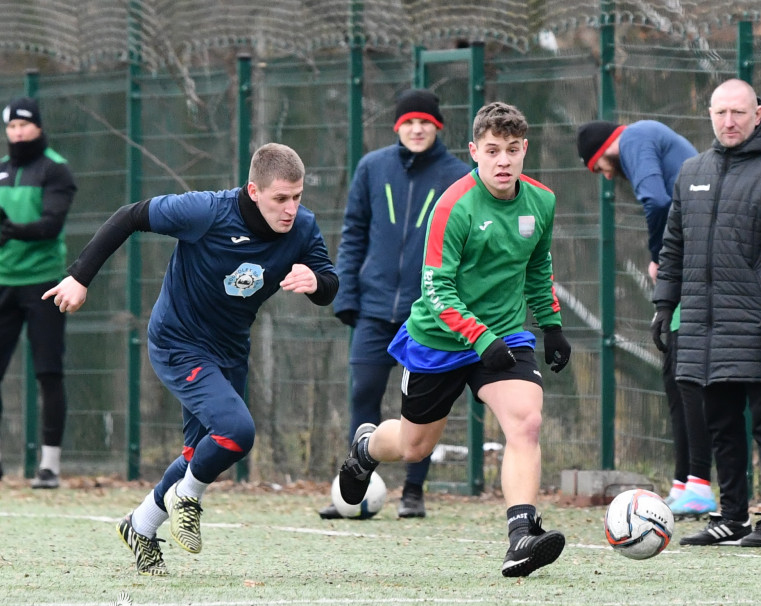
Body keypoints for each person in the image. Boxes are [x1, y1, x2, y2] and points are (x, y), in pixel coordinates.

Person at [43, 143, 338, 575]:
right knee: (237, 431)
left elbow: (330, 283)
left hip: (230, 350)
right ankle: (188, 497)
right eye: (280, 198)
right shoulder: (207, 212)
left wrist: (316, 281)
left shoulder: (303, 228)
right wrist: (79, 276)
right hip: (178, 342)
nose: (291, 208)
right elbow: (130, 215)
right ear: (254, 190)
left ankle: (140, 525)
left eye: (297, 196)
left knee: (201, 450)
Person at [335, 102, 572, 577]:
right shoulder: (454, 205)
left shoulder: (541, 201)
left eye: (511, 150)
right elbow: (436, 289)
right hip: (441, 338)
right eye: (492, 151)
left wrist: (551, 325)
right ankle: (365, 450)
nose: (502, 161)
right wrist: (479, 338)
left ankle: (521, 535)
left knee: (526, 423)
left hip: (504, 335)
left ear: (525, 149)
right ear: (474, 152)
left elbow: (538, 268)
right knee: (413, 447)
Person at [652, 79, 761, 547]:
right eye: (721, 112)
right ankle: (732, 517)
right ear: (709, 114)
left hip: (758, 324)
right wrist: (665, 305)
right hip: (703, 326)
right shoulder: (691, 171)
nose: (729, 121)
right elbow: (674, 248)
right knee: (720, 423)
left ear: (758, 115)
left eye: (739, 113)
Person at [319, 89, 470, 520]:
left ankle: (414, 494)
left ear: (438, 126)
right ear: (397, 127)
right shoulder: (372, 167)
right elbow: (353, 234)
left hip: (428, 313)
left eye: (425, 122)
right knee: (363, 394)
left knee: (420, 407)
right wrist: (347, 293)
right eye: (408, 122)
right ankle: (352, 493)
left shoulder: (459, 176)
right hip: (373, 305)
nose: (416, 129)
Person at [574, 119, 707, 515]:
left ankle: (698, 482)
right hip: (692, 265)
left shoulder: (633, 139)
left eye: (599, 167)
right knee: (674, 375)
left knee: (685, 376)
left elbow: (657, 201)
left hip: (693, 269)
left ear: (602, 153)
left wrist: (660, 259)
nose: (607, 175)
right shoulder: (647, 139)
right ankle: (685, 482)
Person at [0, 97, 77, 488]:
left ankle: (49, 467)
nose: (17, 133)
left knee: (48, 372)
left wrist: (11, 230)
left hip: (45, 283)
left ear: (39, 127)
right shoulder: (0, 170)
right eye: (11, 128)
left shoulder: (56, 168)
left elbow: (50, 224)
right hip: (2, 283)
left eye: (24, 126)